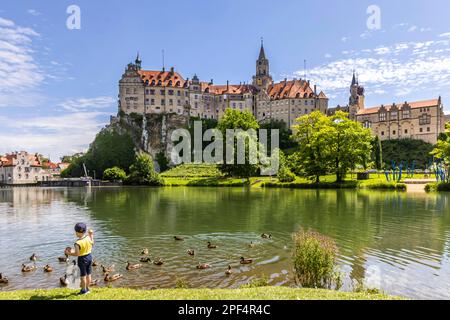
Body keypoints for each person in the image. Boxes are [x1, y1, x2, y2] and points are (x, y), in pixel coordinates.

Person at [65, 223, 94, 295]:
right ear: (84, 231)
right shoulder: (88, 237)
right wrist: (91, 235)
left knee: (83, 276)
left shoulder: (77, 243)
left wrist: (69, 253)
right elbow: (92, 243)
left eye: (75, 232)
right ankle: (87, 288)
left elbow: (77, 254)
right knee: (89, 274)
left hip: (82, 259)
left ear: (77, 232)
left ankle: (83, 291)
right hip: (89, 257)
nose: (75, 233)